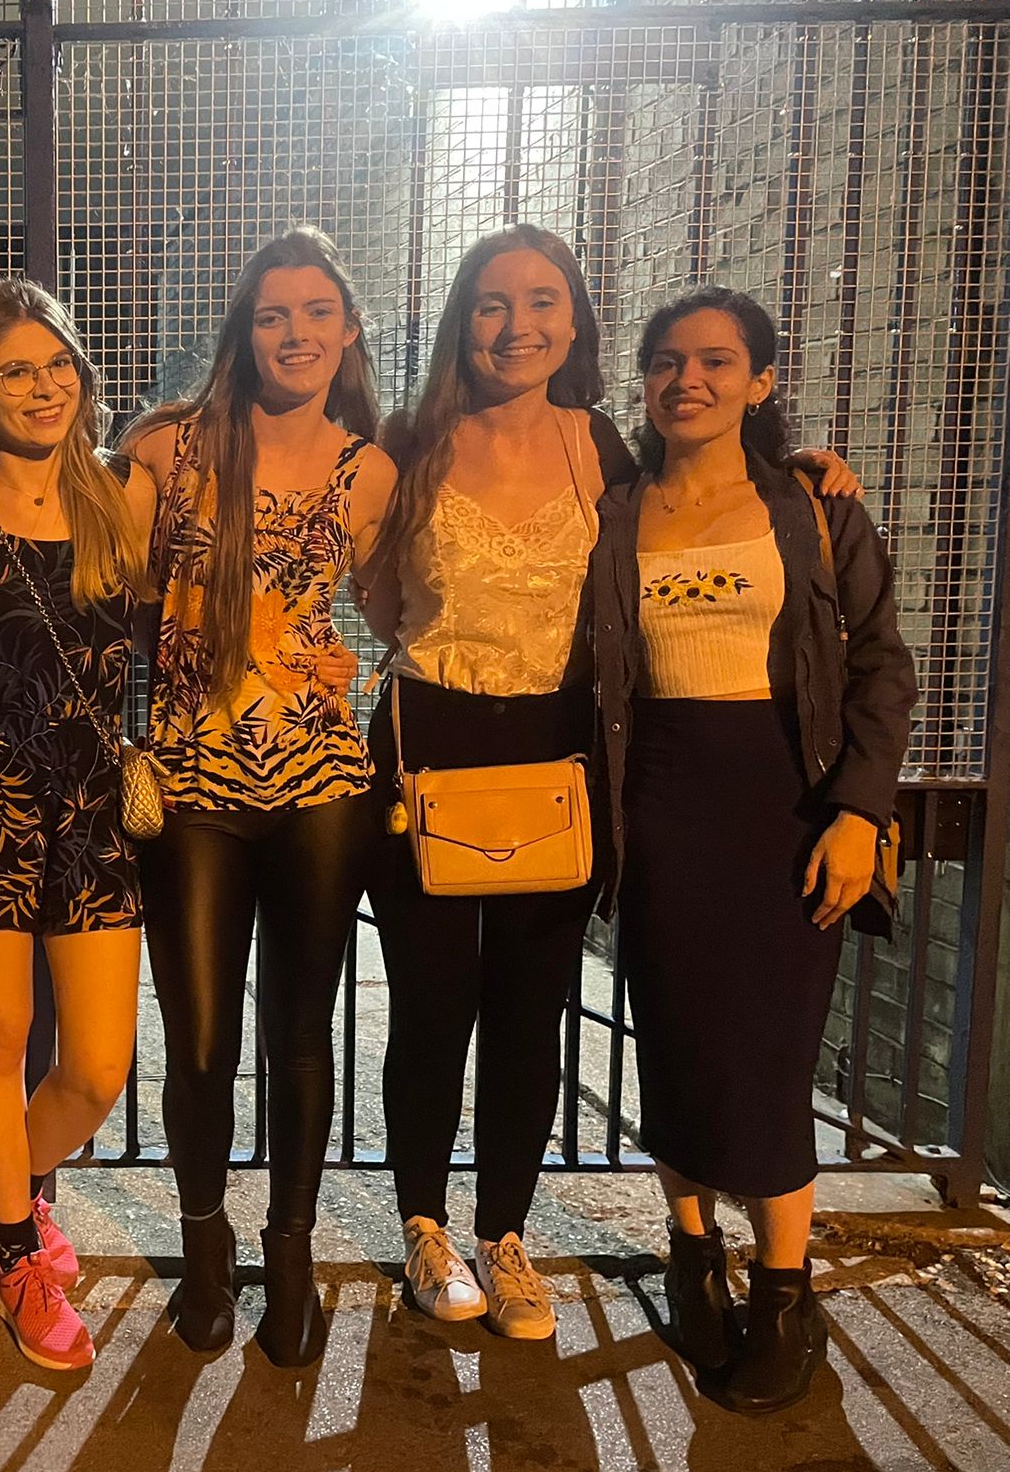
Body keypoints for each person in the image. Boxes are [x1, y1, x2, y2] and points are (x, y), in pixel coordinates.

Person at [357, 226, 859, 1342]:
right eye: (491, 303)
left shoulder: (601, 450)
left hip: (557, 749)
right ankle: (423, 1226)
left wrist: (803, 471)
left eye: (541, 300)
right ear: (461, 318)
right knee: (430, 1010)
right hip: (425, 747)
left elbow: (700, 497)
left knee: (530, 1010)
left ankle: (506, 1235)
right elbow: (377, 602)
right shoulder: (405, 442)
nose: (516, 323)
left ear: (574, 322)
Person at [591, 288, 914, 1412]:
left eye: (715, 361)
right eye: (664, 361)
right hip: (658, 810)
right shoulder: (613, 511)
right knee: (671, 1042)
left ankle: (783, 1290)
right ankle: (690, 1255)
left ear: (760, 382)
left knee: (772, 1060)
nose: (686, 379)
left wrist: (858, 814)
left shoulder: (812, 510)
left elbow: (880, 664)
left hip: (791, 811)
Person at [121, 227, 391, 1364]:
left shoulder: (368, 467)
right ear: (244, 330)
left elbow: (397, 602)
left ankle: (289, 1253)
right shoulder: (167, 449)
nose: (294, 333)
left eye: (315, 312)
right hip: (190, 778)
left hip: (323, 776)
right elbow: (105, 580)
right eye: (272, 314)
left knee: (299, 1034)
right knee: (195, 1041)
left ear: (346, 329)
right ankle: (202, 1243)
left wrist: (351, 666)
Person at [0, 279, 154, 1371]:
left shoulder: (119, 496)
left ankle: (8, 1179)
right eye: (12, 370)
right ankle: (14, 1245)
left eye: (56, 365)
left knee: (97, 1066)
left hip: (93, 799)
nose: (42, 386)